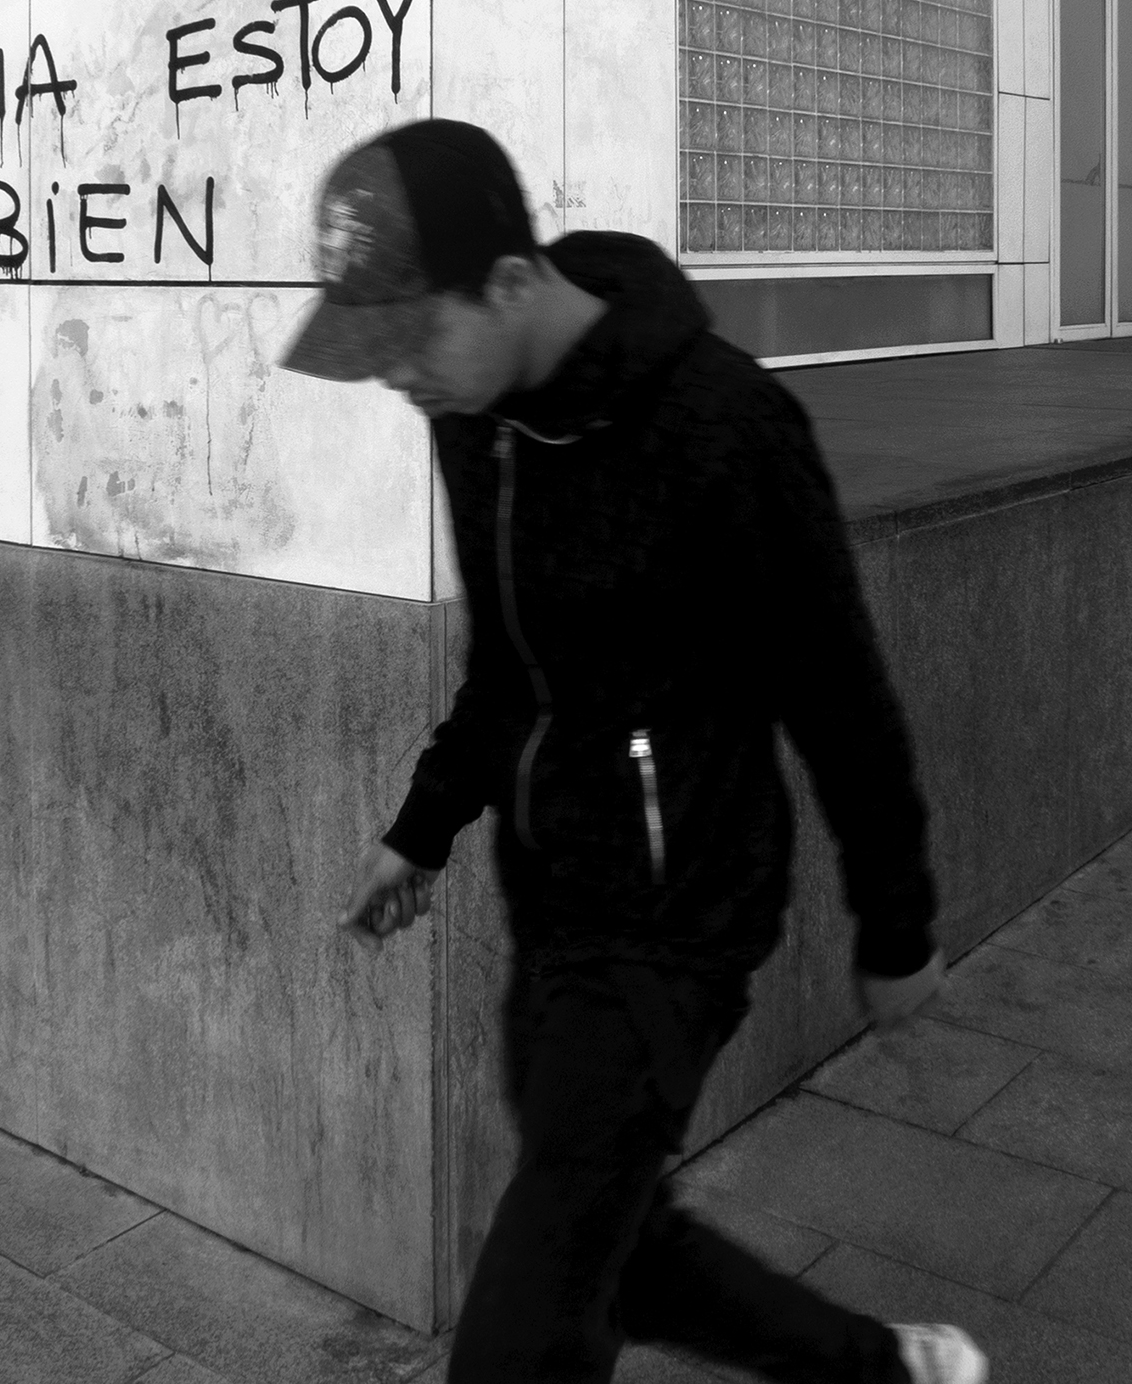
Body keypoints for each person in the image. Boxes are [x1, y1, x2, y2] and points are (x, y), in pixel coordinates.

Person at [281, 118, 987, 1384]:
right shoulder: (475, 418)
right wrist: (423, 827)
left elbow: (839, 693)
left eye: (412, 339)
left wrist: (896, 927)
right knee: (612, 1242)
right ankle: (889, 1371)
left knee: (529, 1317)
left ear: (510, 284)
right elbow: (509, 662)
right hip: (553, 894)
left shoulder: (726, 424)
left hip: (684, 913)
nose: (397, 379)